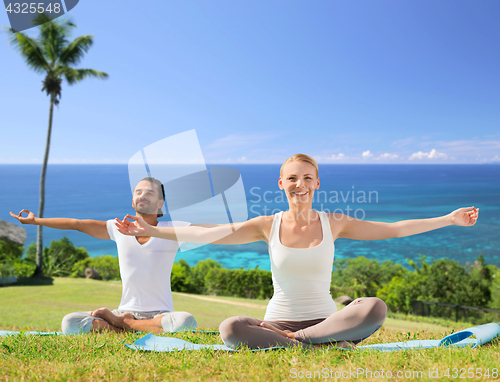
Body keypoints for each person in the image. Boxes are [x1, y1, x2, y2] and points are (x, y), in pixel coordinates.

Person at [110, 154, 479, 349]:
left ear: (317, 183)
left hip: (327, 320)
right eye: (292, 178)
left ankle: (299, 343)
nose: (299, 184)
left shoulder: (334, 222)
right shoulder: (266, 224)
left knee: (374, 307)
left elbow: (394, 229)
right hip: (277, 322)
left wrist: (448, 218)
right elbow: (212, 232)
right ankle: (312, 344)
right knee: (231, 327)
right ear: (281, 184)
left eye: (307, 177)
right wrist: (150, 227)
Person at [10, 177, 198, 334]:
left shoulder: (172, 230)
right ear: (133, 201)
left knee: (185, 321)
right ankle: (127, 325)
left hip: (161, 315)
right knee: (70, 322)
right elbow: (77, 223)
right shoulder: (119, 229)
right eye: (138, 192)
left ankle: (123, 325)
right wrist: (36, 221)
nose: (142, 195)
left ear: (160, 203)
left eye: (149, 192)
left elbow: (209, 232)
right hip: (125, 311)